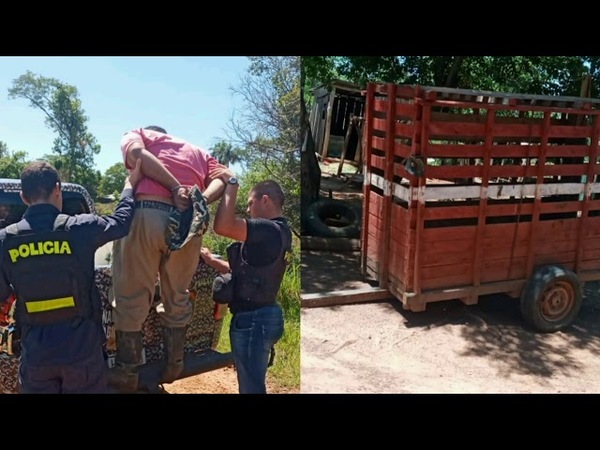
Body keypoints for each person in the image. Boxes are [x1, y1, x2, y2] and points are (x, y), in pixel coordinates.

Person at [0, 159, 143, 394]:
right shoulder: (80, 228)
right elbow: (120, 223)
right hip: (82, 354)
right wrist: (129, 186)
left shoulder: (6, 241)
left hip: (37, 355)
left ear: (24, 197)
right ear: (58, 188)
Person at [109, 125, 228, 392]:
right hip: (189, 223)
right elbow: (225, 177)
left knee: (131, 294)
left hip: (147, 212)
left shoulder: (139, 133)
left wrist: (175, 188)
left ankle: (127, 371)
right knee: (178, 294)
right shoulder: (198, 151)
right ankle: (174, 364)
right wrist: (199, 200)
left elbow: (138, 155)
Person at [212, 175, 292, 394]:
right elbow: (249, 270)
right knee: (252, 382)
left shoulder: (268, 230)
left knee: (251, 388)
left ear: (265, 200)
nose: (248, 210)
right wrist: (212, 261)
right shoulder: (281, 232)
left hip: (253, 321)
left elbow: (223, 226)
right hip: (266, 315)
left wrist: (232, 184)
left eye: (250, 203)